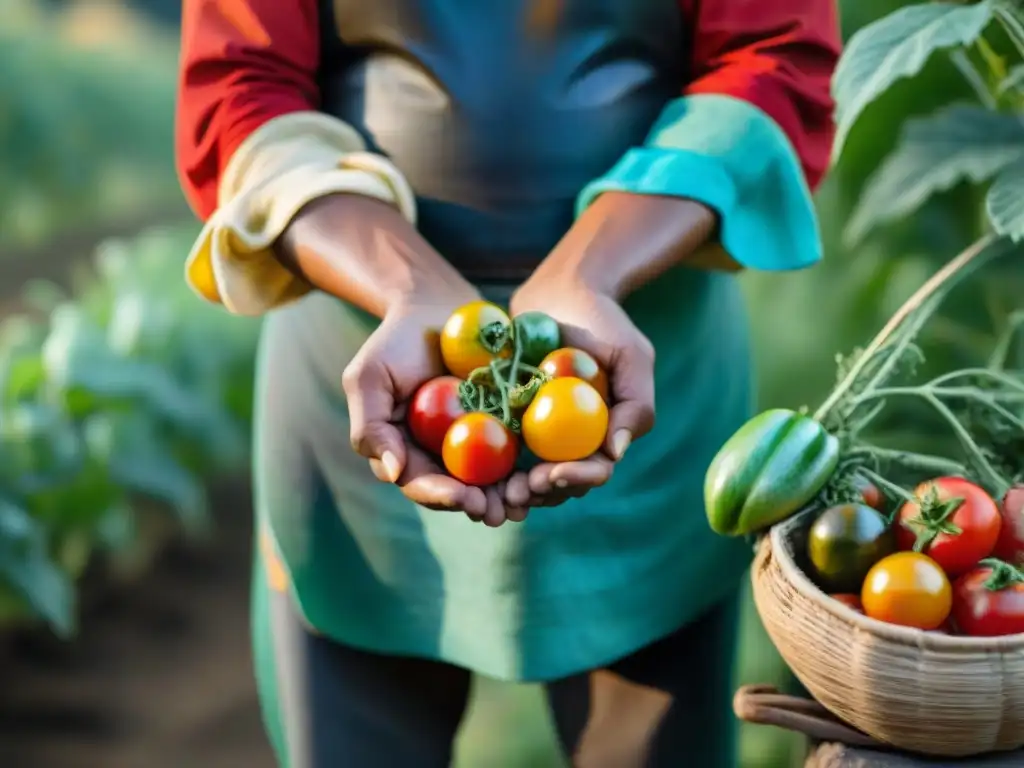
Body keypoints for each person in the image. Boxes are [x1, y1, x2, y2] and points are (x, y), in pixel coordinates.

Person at [175, 1, 839, 765]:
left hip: (647, 354)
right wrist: (405, 283)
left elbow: (773, 56)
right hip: (363, 357)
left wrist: (591, 266)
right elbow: (242, 81)